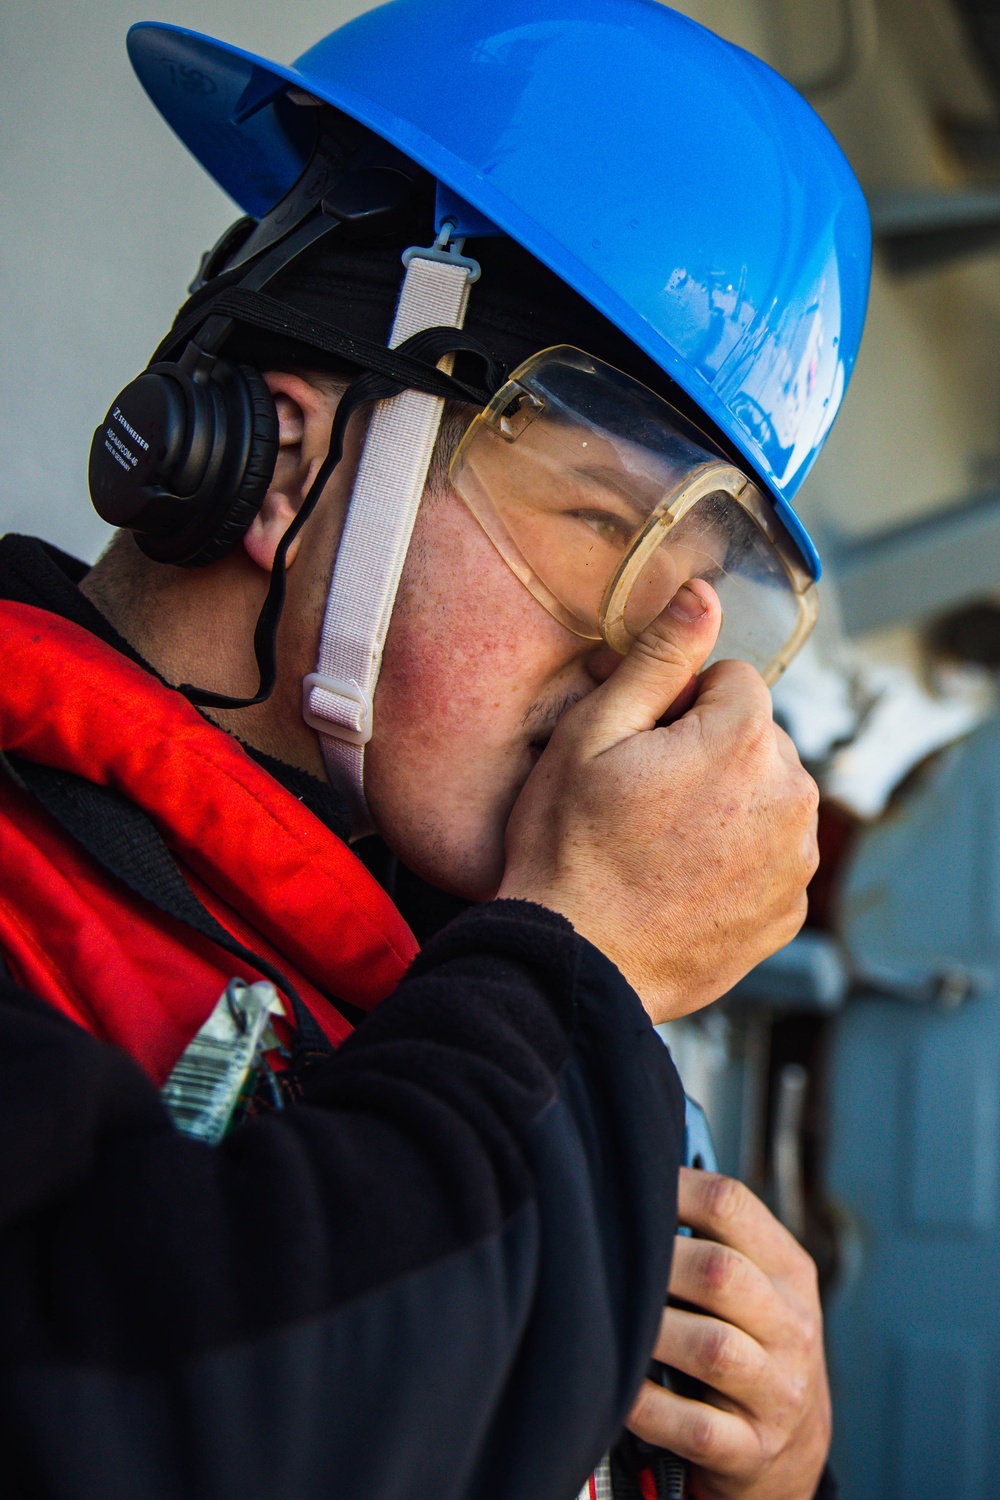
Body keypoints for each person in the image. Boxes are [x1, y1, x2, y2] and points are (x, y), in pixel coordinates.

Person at [0, 2, 869, 1497]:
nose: (652, 655)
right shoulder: (536, 988)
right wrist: (579, 965)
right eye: (608, 525)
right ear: (281, 465)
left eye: (702, 588)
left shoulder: (461, 983)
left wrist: (757, 1479)